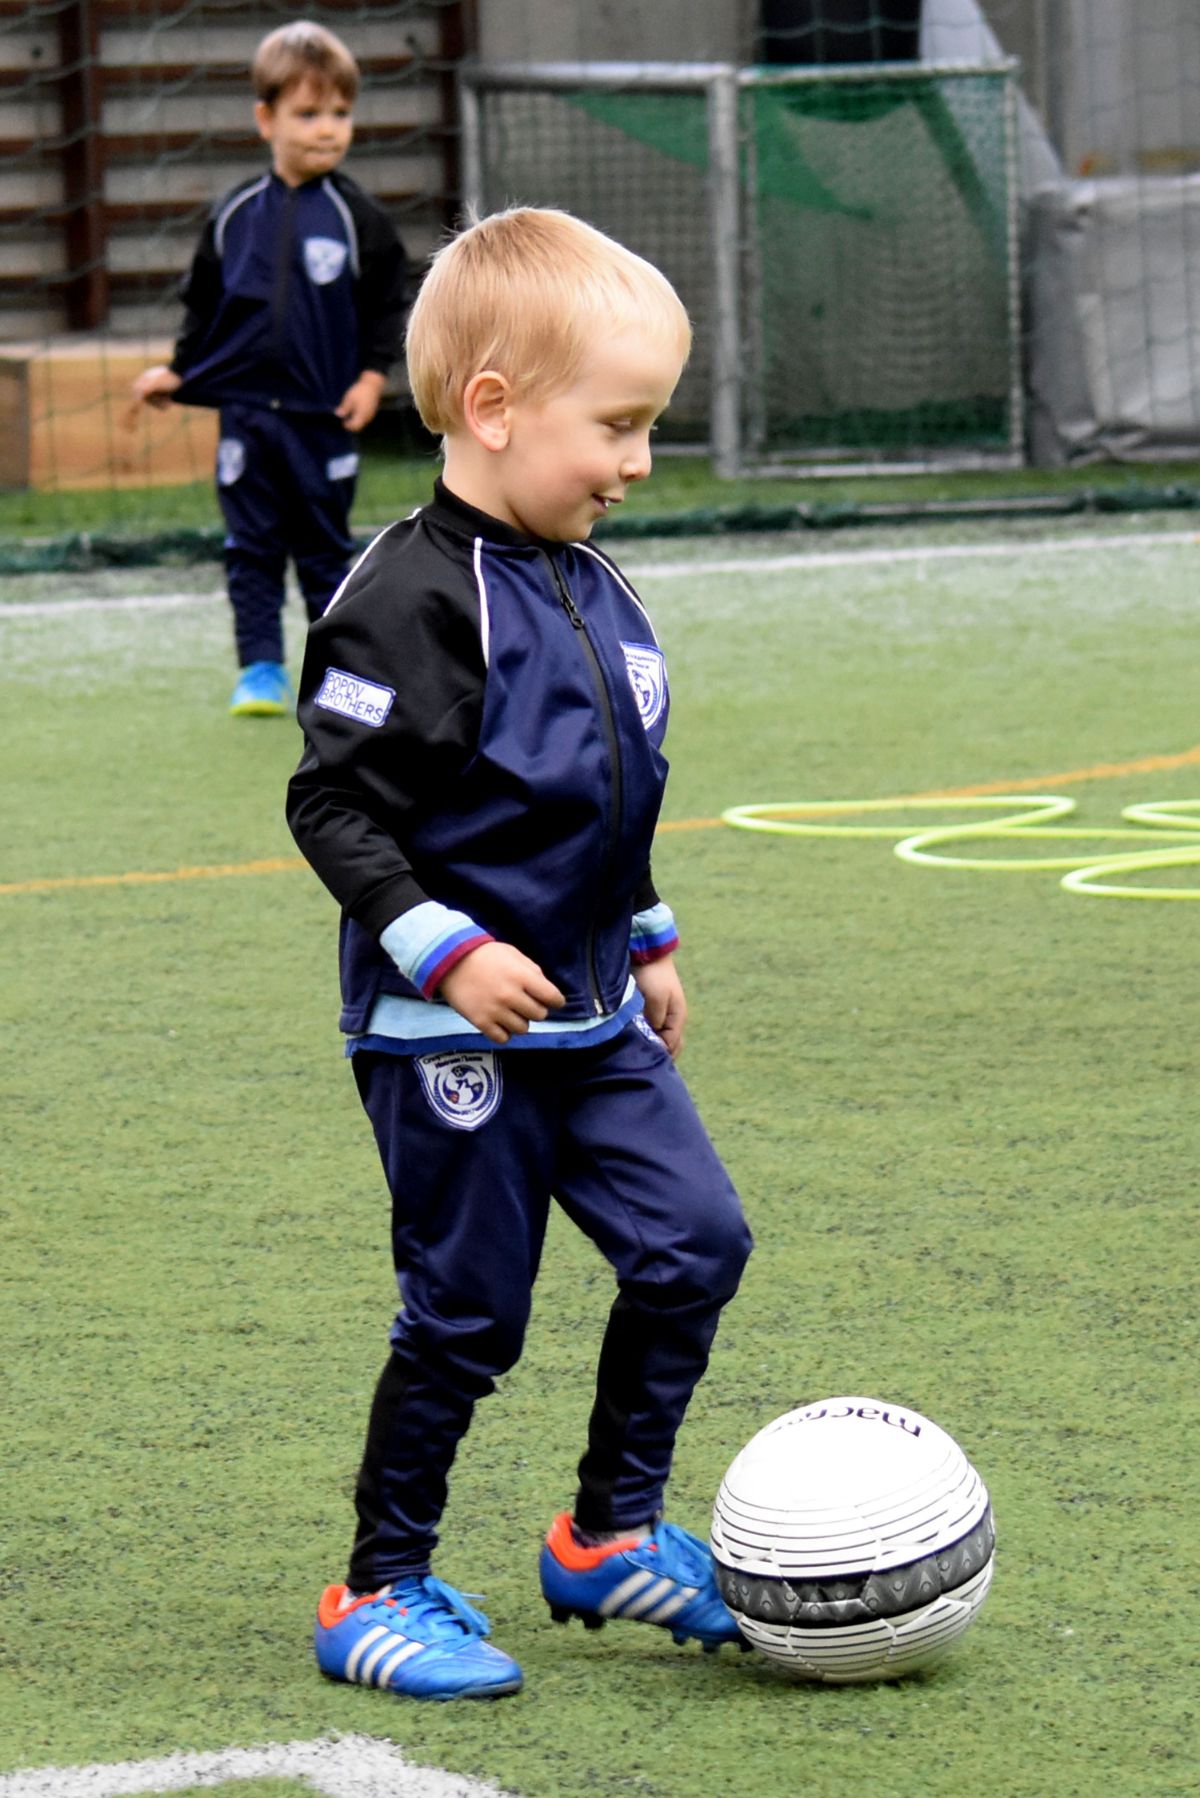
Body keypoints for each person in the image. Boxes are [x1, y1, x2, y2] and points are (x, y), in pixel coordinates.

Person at [286, 206, 753, 1701]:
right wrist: (447, 954)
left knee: (697, 1245)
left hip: (595, 1013)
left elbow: (603, 791)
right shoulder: (408, 598)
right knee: (471, 1314)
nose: (638, 461)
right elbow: (332, 805)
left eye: (648, 426)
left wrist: (648, 933)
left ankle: (607, 1532)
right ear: (493, 408)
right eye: (617, 425)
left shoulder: (599, 583)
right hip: (451, 1035)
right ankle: (376, 1586)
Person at [128, 21, 407, 718]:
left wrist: (372, 377)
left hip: (323, 420)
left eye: (340, 113)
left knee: (324, 551)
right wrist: (180, 371)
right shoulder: (234, 216)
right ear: (266, 120)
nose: (328, 129)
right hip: (247, 420)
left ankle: (338, 675)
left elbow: (387, 306)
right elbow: (205, 308)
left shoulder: (359, 219)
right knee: (250, 547)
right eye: (308, 114)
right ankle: (259, 669)